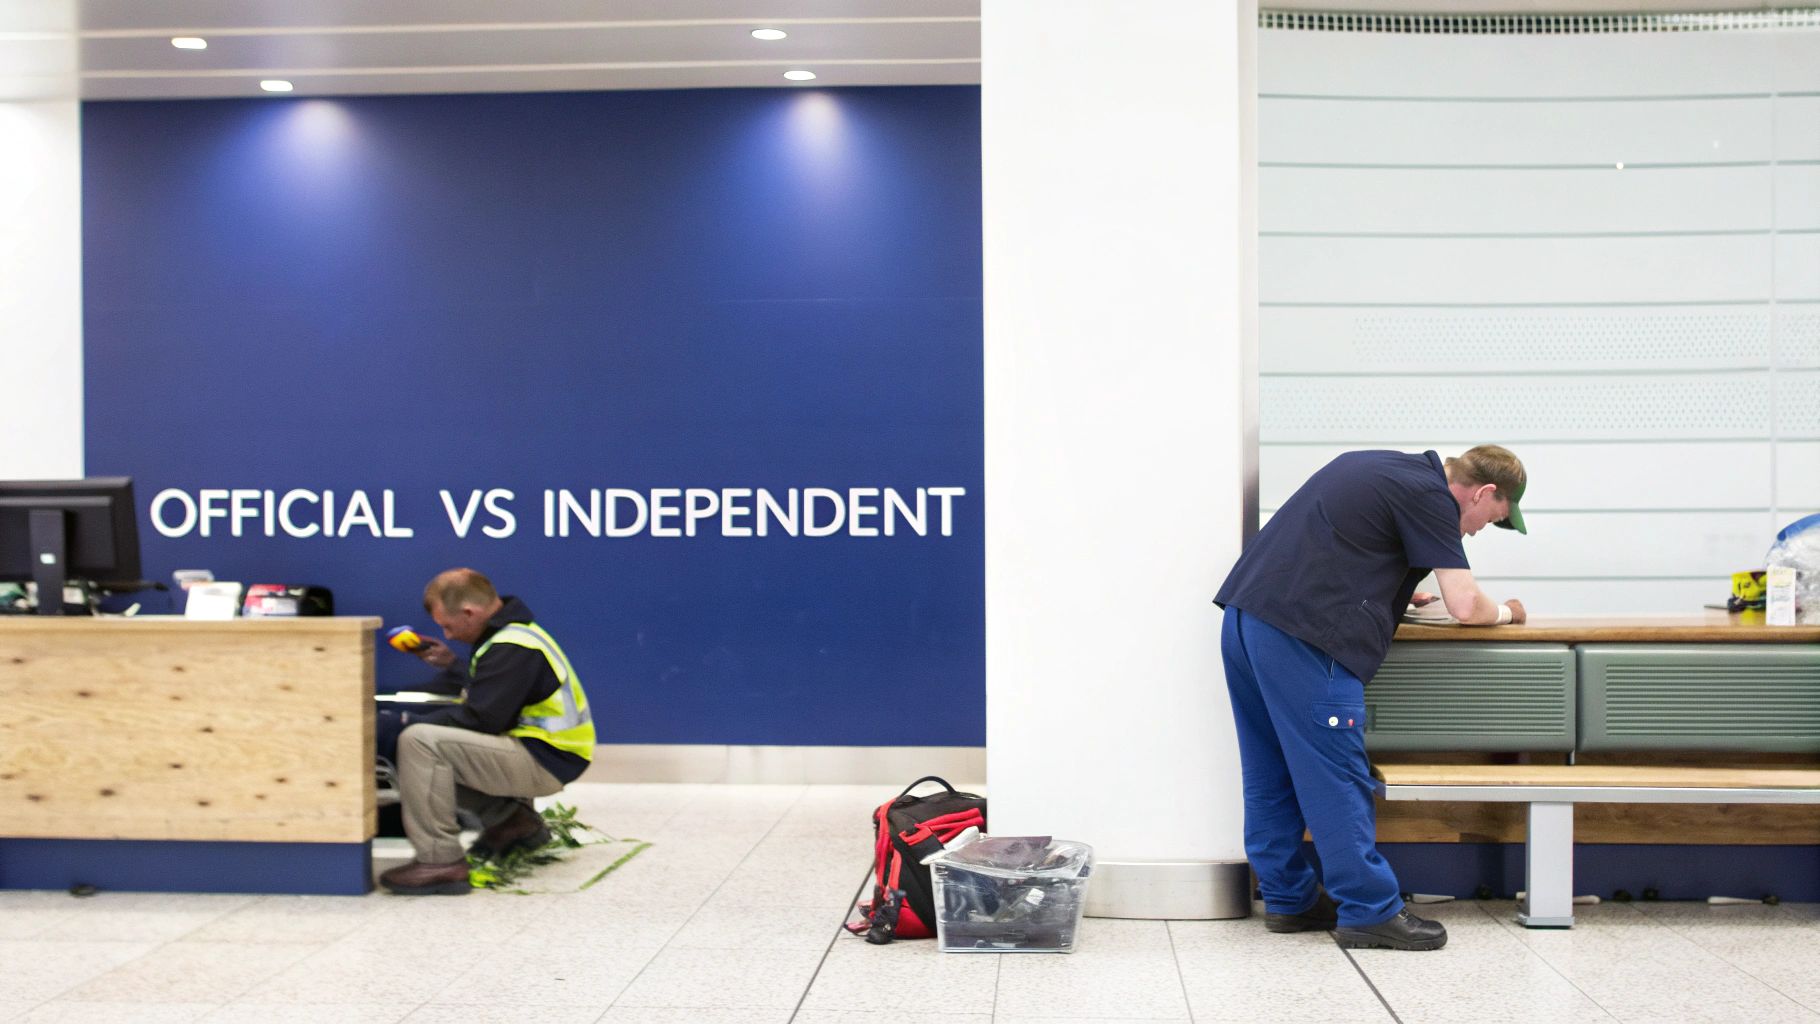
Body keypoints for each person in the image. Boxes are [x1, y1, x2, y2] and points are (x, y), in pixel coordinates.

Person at [1213, 445, 1529, 950]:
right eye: (1486, 521)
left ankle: (1288, 899)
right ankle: (1369, 910)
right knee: (1337, 777)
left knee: (1269, 772)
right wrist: (1510, 613)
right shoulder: (1432, 497)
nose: (1472, 531)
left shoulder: (1378, 465)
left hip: (1248, 621)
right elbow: (1466, 604)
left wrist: (1396, 592)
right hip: (1310, 637)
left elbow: (1343, 548)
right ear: (1483, 491)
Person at [377, 568, 596, 895]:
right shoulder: (509, 636)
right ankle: (513, 823)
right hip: (544, 752)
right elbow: (493, 694)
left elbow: (482, 718)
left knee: (418, 742)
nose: (447, 635)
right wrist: (451, 665)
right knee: (425, 744)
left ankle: (440, 862)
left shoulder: (512, 646)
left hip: (544, 759)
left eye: (447, 626)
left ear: (469, 612)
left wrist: (405, 724)